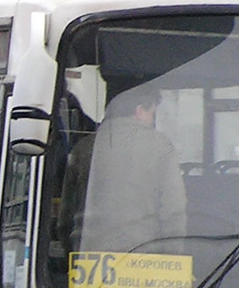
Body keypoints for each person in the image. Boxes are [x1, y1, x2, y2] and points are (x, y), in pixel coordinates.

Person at [72, 84, 187, 254]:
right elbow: (173, 211)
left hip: (88, 259)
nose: (152, 121)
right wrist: (173, 257)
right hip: (144, 258)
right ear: (139, 111)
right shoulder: (161, 146)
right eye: (152, 114)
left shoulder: (84, 148)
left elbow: (67, 216)